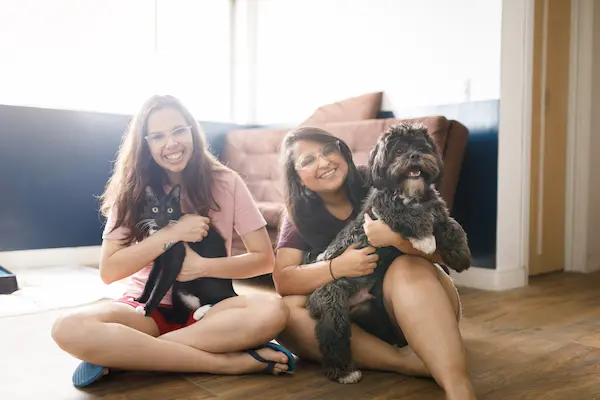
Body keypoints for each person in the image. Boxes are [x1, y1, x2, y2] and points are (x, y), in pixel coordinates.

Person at [51, 95, 295, 388]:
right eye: (158, 136)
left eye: (179, 130)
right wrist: (172, 233)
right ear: (146, 144)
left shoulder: (226, 182)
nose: (171, 144)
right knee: (67, 327)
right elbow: (109, 271)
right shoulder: (132, 189)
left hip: (210, 311)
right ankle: (224, 363)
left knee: (274, 310)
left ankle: (129, 355)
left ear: (193, 130)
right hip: (145, 310)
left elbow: (263, 259)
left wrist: (202, 267)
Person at [273, 126, 476, 400]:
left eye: (328, 150)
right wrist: (338, 267)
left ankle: (458, 388)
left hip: (419, 304)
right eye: (308, 161)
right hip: (361, 319)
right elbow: (283, 281)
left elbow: (446, 256)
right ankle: (406, 362)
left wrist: (397, 240)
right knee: (286, 311)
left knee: (405, 267)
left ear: (341, 150)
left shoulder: (384, 174)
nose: (324, 162)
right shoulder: (297, 213)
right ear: (298, 177)